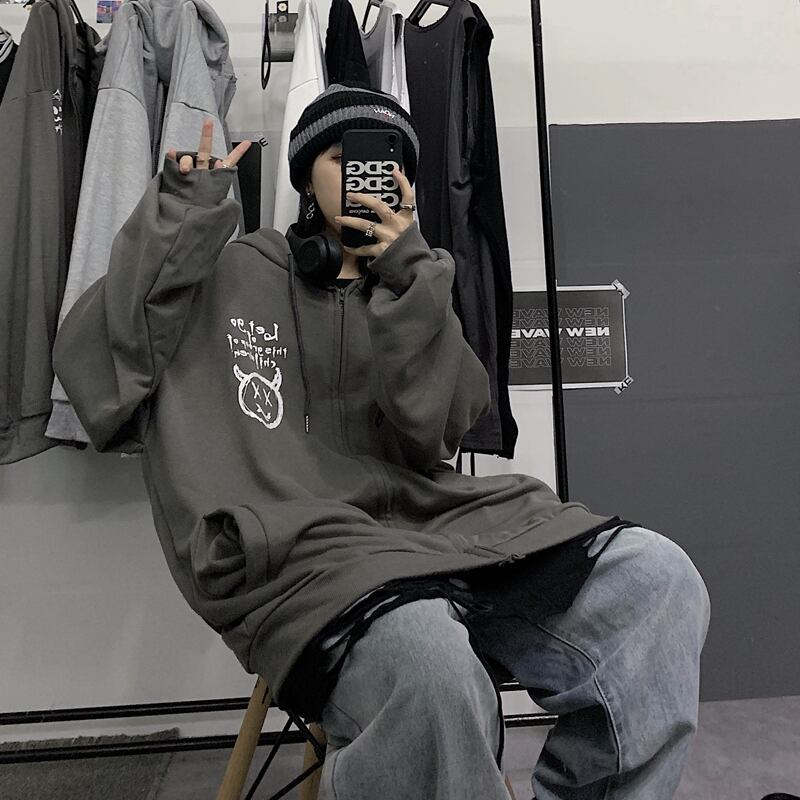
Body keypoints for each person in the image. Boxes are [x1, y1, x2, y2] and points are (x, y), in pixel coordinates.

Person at [52, 84, 711, 800]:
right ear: (306, 178)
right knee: (426, 656)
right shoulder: (224, 271)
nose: (365, 172)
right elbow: (95, 373)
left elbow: (438, 430)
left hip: (430, 529)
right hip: (297, 555)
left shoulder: (413, 284)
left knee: (657, 578)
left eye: (385, 159)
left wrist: (412, 277)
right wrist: (182, 217)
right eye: (340, 157)